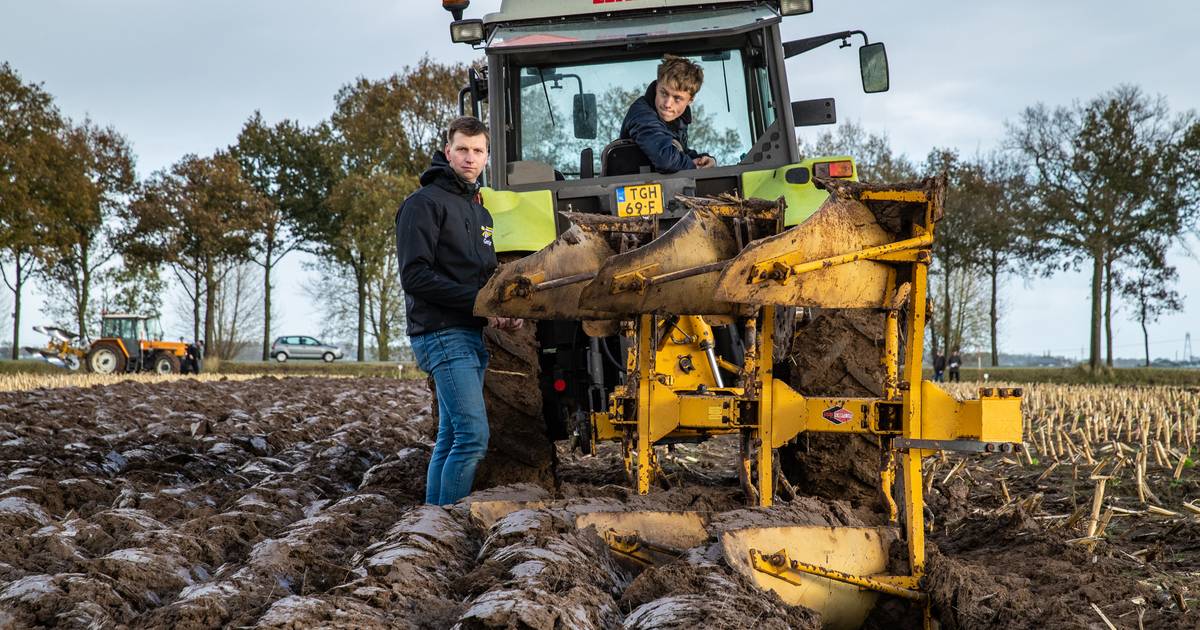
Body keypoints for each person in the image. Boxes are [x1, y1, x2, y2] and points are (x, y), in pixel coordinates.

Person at [396, 116, 520, 506]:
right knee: (472, 436)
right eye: (462, 149)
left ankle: (431, 521)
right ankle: (444, 522)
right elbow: (415, 277)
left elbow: (482, 277)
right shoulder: (423, 204)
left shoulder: (480, 213)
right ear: (447, 152)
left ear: (487, 157)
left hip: (468, 332)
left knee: (451, 436)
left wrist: (502, 307)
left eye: (478, 151)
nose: (470, 158)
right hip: (440, 332)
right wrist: (479, 304)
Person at [619, 54, 715, 174]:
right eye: (664, 93)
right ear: (656, 87)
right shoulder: (642, 115)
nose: (668, 104)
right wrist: (694, 167)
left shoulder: (679, 120)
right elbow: (666, 160)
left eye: (677, 98)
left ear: (690, 100)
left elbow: (679, 151)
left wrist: (704, 160)